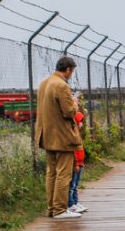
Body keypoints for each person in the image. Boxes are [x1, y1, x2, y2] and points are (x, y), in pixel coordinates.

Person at [35, 56, 83, 219]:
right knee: (64, 173)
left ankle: (51, 207)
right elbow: (69, 111)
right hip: (62, 136)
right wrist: (75, 103)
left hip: (46, 134)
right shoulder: (61, 85)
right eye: (72, 71)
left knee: (51, 172)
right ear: (68, 69)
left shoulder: (44, 83)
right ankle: (60, 209)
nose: (71, 75)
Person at [68, 102, 87, 214]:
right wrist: (76, 163)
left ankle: (75, 202)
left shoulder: (77, 135)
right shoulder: (74, 136)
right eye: (80, 121)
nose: (81, 124)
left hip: (80, 163)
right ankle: (71, 204)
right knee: (72, 185)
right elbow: (74, 151)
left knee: (75, 185)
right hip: (76, 163)